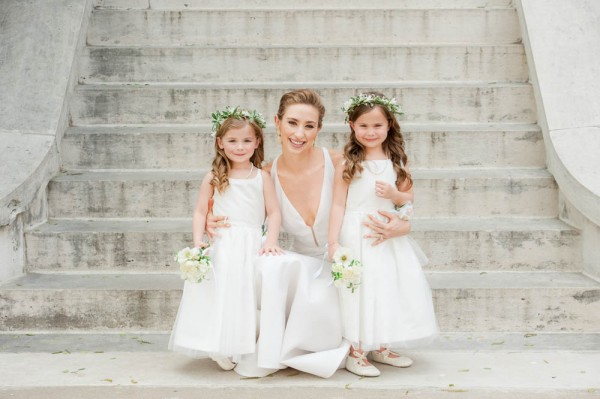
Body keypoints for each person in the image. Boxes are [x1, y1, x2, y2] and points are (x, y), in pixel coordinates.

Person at [208, 89, 412, 378]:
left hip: (348, 266)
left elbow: (390, 201)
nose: (299, 134)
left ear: (319, 128)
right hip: (304, 273)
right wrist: (210, 222)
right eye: (292, 123)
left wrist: (402, 225)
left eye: (309, 125)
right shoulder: (265, 174)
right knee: (274, 267)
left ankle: (365, 340)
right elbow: (237, 213)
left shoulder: (342, 162)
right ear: (277, 122)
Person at [328, 92, 438, 377]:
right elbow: (338, 204)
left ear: (389, 125)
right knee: (360, 291)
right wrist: (333, 241)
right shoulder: (348, 162)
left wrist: (394, 194)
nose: (371, 132)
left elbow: (408, 199)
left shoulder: (396, 160)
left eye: (377, 125)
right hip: (356, 234)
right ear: (352, 125)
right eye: (363, 125)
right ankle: (357, 349)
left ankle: (382, 345)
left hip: (386, 236)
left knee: (387, 287)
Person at [169, 107, 283, 371]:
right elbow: (200, 211)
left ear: (257, 143)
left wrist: (271, 241)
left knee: (246, 295)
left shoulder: (261, 177)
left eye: (246, 141)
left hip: (252, 241)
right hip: (225, 244)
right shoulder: (213, 177)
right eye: (232, 141)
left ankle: (243, 343)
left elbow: (274, 212)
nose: (240, 147)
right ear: (220, 143)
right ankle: (218, 344)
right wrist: (198, 241)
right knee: (223, 294)